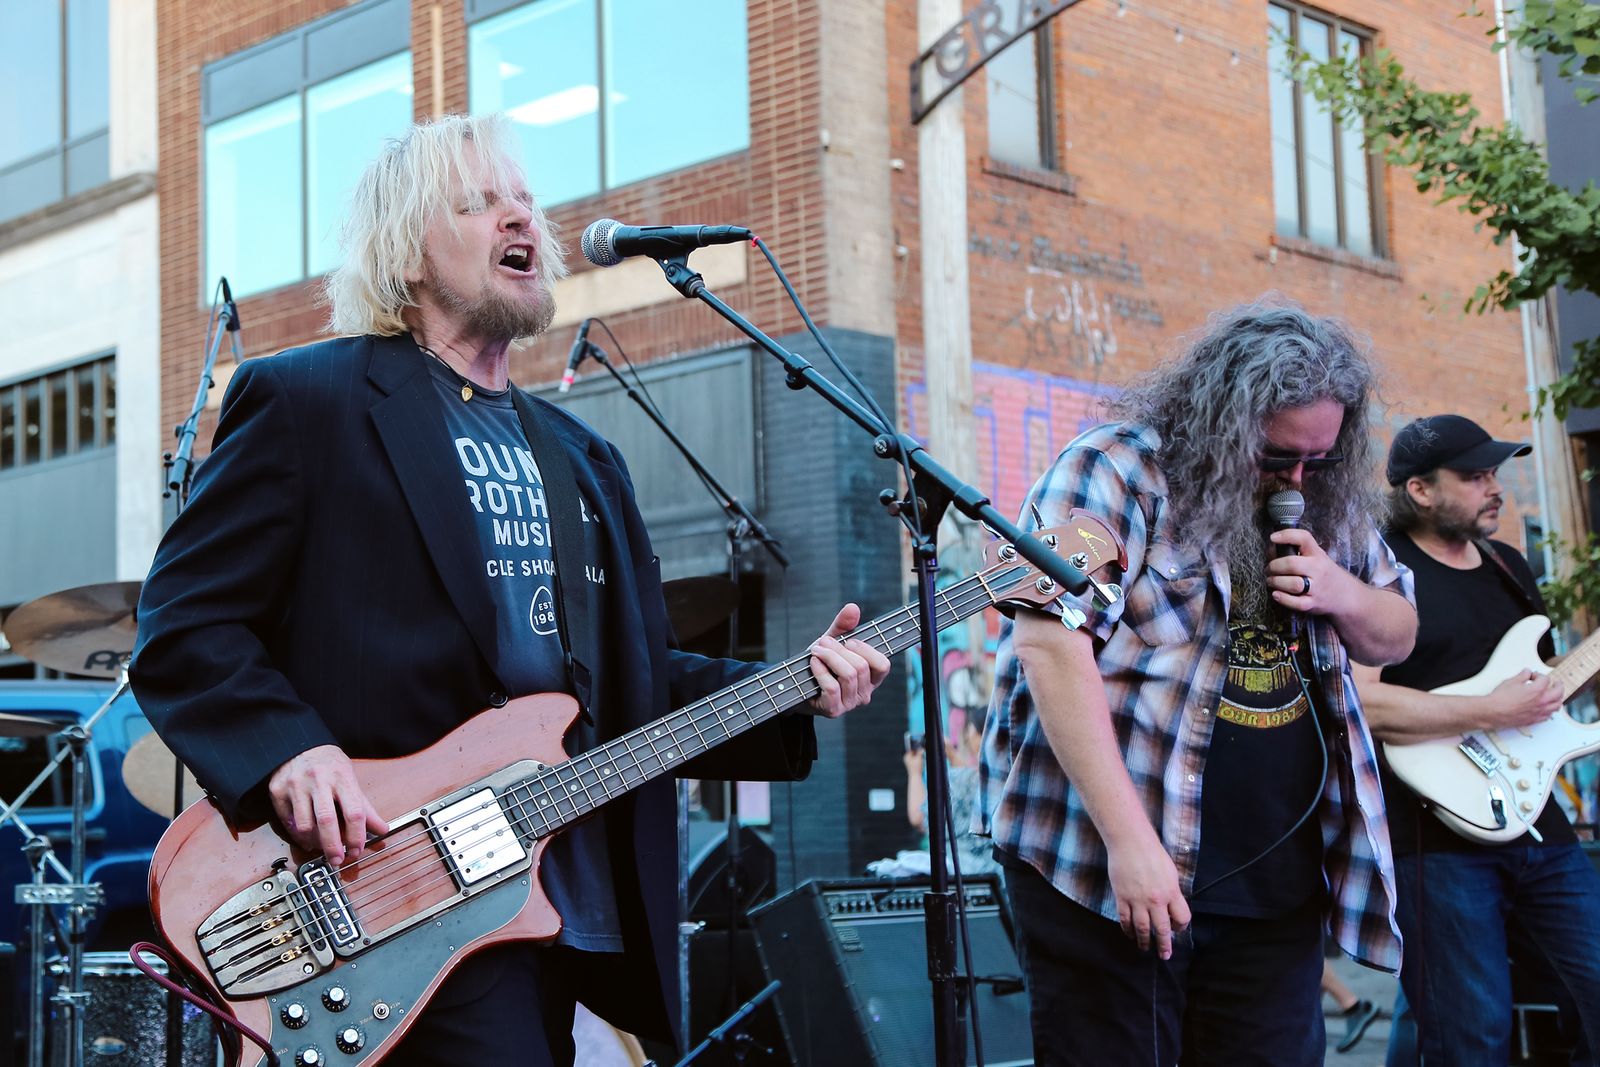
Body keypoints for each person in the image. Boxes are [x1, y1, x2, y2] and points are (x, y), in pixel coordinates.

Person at [129, 113, 890, 1066]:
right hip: (382, 895)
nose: (521, 216)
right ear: (408, 252)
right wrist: (287, 748)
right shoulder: (310, 401)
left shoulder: (582, 456)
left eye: (525, 198)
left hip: (552, 904)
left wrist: (796, 688)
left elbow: (632, 683)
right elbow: (185, 620)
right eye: (479, 202)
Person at [977, 302, 1417, 1067]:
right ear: (1222, 419)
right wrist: (1128, 842)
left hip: (1274, 884)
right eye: (1278, 456)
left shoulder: (1324, 501)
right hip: (1106, 868)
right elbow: (1049, 641)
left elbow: (1399, 629)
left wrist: (1340, 591)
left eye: (1318, 459)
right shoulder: (1115, 468)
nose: (1298, 477)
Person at [1353, 414, 1600, 1066]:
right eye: (1473, 476)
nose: (1494, 488)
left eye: (1495, 473)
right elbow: (1361, 701)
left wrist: (1567, 680)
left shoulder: (1507, 565)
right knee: (1472, 1036)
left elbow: (1537, 686)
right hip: (1433, 840)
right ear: (1420, 490)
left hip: (1537, 820)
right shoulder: (1380, 570)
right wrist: (1490, 709)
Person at [903, 708, 1000, 874]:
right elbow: (974, 781)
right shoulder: (1009, 781)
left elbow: (919, 818)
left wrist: (914, 772)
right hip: (998, 875)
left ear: (978, 736)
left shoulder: (959, 780)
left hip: (963, 875)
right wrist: (953, 756)